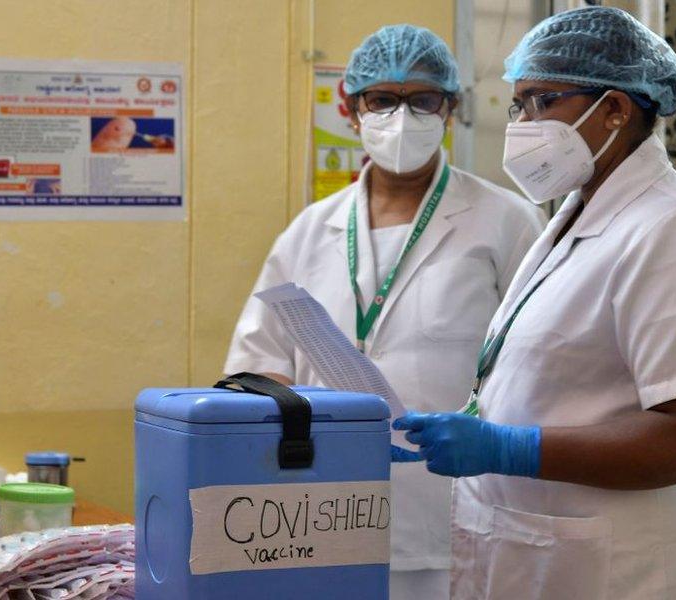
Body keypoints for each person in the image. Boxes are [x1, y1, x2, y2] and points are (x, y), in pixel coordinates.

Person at [393, 7, 676, 599]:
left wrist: (510, 447)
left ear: (615, 108)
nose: (522, 124)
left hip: (631, 570)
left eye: (542, 101)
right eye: (518, 105)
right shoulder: (576, 216)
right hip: (550, 554)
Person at [225, 24, 545, 600]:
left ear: (450, 108)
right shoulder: (307, 232)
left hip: (458, 511)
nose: (403, 117)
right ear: (352, 111)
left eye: (423, 99)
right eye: (383, 100)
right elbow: (259, 361)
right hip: (321, 508)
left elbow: (542, 363)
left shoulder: (507, 223)